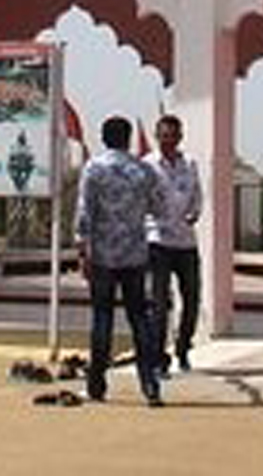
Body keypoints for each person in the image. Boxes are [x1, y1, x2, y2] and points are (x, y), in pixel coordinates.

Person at [75, 116, 167, 406]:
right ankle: (150, 384)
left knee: (102, 317)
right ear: (127, 138)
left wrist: (82, 249)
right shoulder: (143, 170)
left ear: (104, 138)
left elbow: (84, 212)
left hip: (103, 254)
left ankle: (97, 383)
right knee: (139, 318)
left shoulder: (95, 168)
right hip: (135, 254)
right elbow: (158, 206)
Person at [146, 113, 202, 375]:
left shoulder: (189, 163)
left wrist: (194, 212)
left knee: (191, 299)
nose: (169, 140)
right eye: (164, 135)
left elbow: (197, 196)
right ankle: (158, 357)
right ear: (157, 137)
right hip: (158, 241)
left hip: (186, 242)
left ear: (180, 137)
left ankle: (183, 348)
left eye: (173, 136)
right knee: (159, 302)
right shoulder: (147, 165)